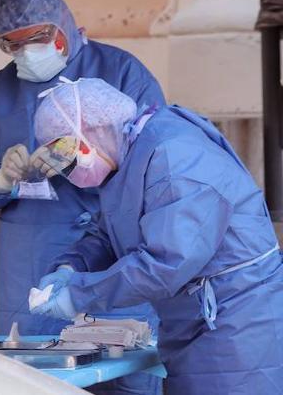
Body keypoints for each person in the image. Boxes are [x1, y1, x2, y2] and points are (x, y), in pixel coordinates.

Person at [29, 78, 283, 395]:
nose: (68, 169)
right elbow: (109, 231)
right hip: (196, 320)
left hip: (237, 324)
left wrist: (79, 295)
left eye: (67, 155)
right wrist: (70, 268)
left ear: (91, 132)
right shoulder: (127, 157)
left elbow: (167, 263)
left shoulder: (177, 157)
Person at [0, 0, 164, 331]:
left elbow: (155, 162)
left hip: (108, 249)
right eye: (13, 45)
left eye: (37, 39)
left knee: (121, 365)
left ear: (63, 24)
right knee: (38, 376)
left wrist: (88, 161)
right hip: (29, 260)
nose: (27, 51)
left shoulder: (121, 72)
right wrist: (0, 178)